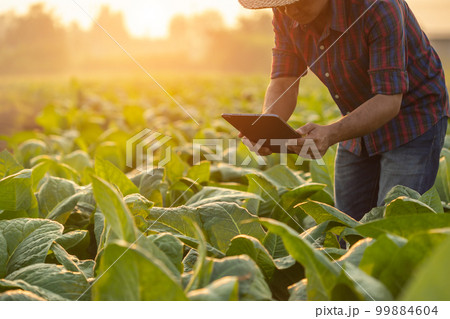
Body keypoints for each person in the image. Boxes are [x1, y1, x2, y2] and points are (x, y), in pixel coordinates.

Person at [237, 0, 450, 221]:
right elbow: (283, 82)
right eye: (282, 5)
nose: (290, 10)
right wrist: (266, 127)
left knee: (395, 222)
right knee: (346, 223)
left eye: (297, 1)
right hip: (357, 117)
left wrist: (331, 133)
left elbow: (389, 99)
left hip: (413, 119)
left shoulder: (378, 6)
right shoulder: (285, 12)